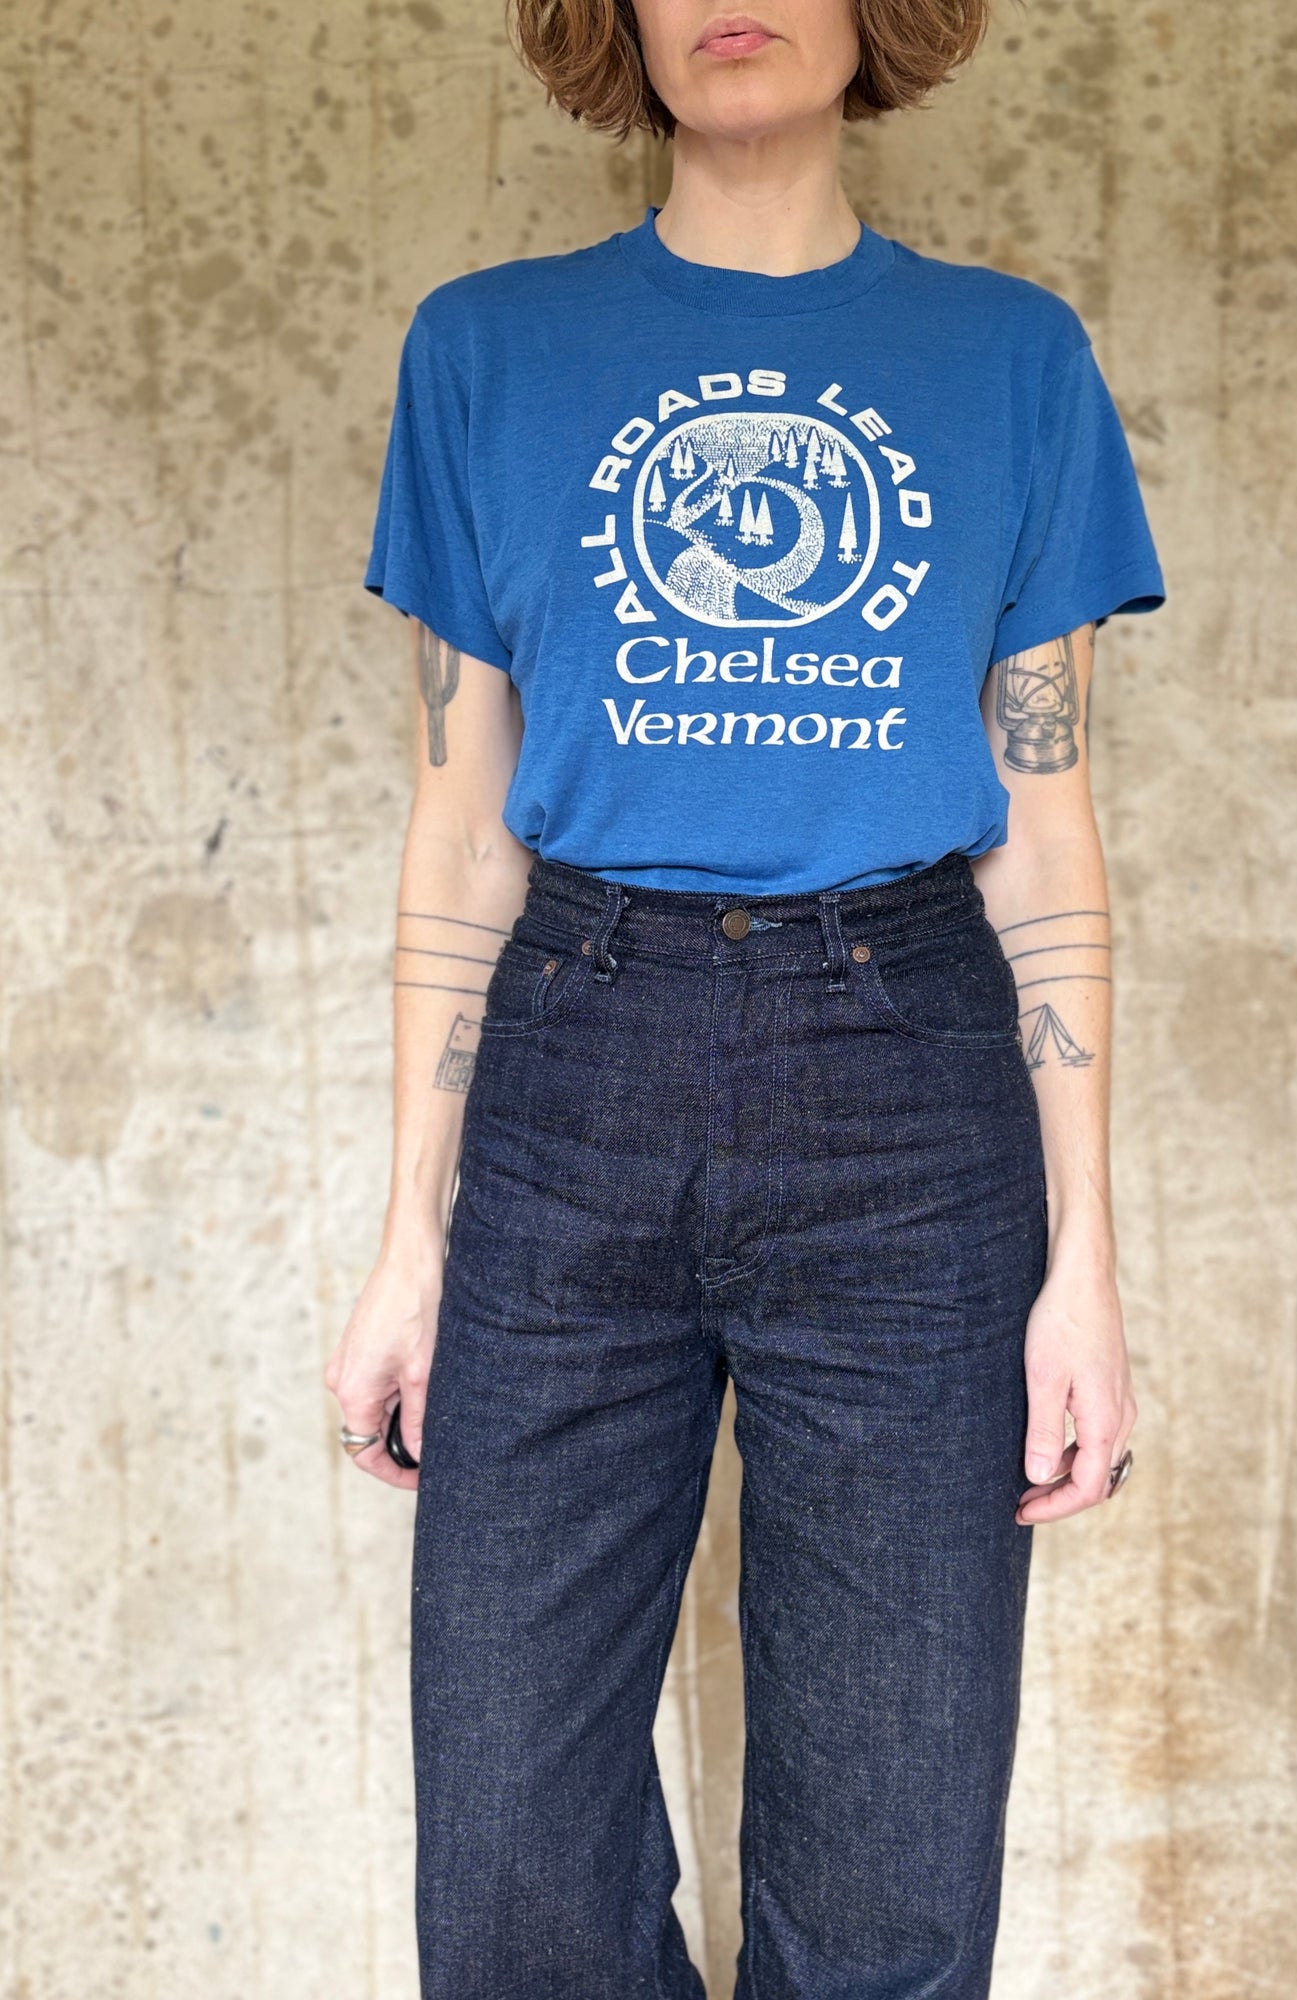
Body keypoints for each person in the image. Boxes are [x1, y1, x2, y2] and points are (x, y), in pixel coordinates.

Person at [324, 1, 1165, 1992]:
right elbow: (463, 828)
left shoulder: (1011, 360)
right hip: (572, 1071)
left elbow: (1045, 830)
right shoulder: (486, 351)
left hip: (910, 1097)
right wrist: (412, 1239)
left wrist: (1086, 1262)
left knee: (888, 1880)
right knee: (512, 1868)